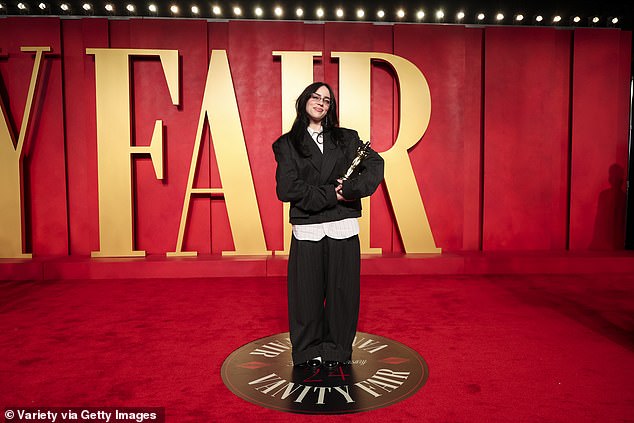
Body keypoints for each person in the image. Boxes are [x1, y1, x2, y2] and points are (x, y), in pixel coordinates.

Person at [272, 82, 384, 369]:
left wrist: (348, 190)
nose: (320, 103)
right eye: (315, 97)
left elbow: (375, 165)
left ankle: (337, 350)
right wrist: (329, 194)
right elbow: (286, 188)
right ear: (304, 101)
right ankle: (307, 352)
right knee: (305, 297)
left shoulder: (347, 138)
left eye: (327, 100)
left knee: (342, 295)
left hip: (342, 226)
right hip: (308, 229)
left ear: (330, 107)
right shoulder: (286, 144)